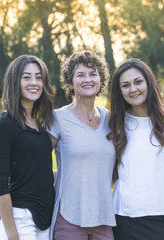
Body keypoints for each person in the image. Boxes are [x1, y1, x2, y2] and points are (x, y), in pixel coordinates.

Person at [106, 58, 164, 240]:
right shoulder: (114, 122)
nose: (133, 89)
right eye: (126, 85)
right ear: (119, 90)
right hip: (124, 218)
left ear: (149, 82)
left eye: (138, 82)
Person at [47, 50, 116, 240]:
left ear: (101, 80)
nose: (88, 79)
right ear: (70, 82)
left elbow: (115, 167)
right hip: (69, 217)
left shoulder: (111, 119)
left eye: (93, 74)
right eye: (80, 74)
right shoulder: (57, 118)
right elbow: (35, 162)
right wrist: (11, 196)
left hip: (104, 219)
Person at [0, 55, 55, 240]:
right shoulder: (4, 124)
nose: (34, 82)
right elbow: (0, 183)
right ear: (15, 81)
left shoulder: (40, 123)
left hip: (45, 217)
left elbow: (36, 171)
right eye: (26, 77)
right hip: (20, 217)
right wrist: (12, 234)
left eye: (39, 77)